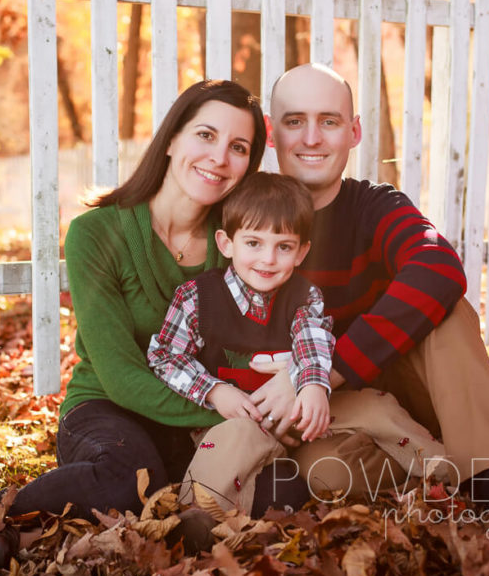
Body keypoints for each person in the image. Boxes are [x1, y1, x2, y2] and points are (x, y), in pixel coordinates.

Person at [0, 80, 301, 559]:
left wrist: (276, 404)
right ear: (172, 138)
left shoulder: (244, 244)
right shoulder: (97, 232)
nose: (219, 157)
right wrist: (237, 414)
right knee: (131, 480)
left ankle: (141, 525)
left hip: (203, 419)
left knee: (286, 491)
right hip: (109, 409)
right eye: (206, 135)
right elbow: (119, 374)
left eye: (238, 147)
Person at [250, 63, 489, 507]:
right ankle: (437, 465)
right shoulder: (249, 222)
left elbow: (438, 266)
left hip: (399, 387)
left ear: (354, 131)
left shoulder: (375, 205)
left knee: (447, 310)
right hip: (328, 419)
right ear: (271, 132)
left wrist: (322, 370)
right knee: (323, 473)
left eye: (329, 121)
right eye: (294, 122)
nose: (311, 138)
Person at [147, 172, 450, 514]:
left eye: (284, 247)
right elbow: (164, 356)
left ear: (302, 251)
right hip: (235, 420)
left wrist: (313, 386)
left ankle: (446, 470)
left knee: (376, 407)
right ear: (225, 243)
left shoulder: (304, 297)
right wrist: (215, 391)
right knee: (228, 447)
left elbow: (313, 342)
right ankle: (197, 519)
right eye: (253, 243)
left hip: (300, 413)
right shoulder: (197, 298)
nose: (268, 259)